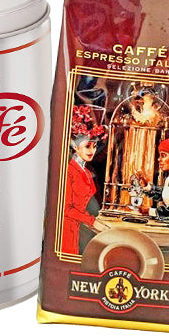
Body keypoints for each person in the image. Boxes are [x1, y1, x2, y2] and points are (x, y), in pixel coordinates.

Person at [61, 105, 106, 254]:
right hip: (67, 229)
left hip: (79, 227)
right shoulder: (69, 170)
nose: (92, 151)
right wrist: (92, 221)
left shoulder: (86, 171)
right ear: (75, 146)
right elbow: (66, 209)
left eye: (94, 146)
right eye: (87, 146)